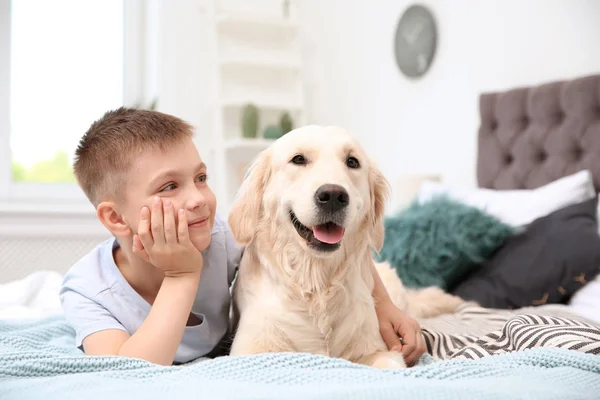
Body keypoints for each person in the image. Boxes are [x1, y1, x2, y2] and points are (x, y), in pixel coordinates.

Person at [59, 107, 426, 366]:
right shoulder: (88, 290)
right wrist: (182, 274)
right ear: (115, 218)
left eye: (201, 178)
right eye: (170, 186)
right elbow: (127, 378)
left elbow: (343, 246)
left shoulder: (218, 235)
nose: (199, 199)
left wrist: (385, 305)